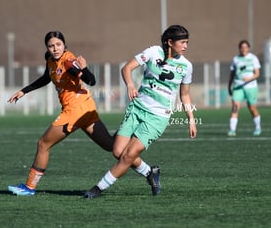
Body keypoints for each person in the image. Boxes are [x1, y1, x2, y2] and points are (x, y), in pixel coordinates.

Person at [84, 25, 197, 198]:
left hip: (158, 117)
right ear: (170, 42)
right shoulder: (153, 52)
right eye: (182, 42)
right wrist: (130, 84)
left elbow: (185, 95)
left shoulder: (186, 66)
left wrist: (191, 118)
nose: (185, 46)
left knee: (129, 155)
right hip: (136, 109)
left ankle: (98, 189)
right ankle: (150, 173)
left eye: (187, 42)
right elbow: (127, 68)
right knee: (118, 152)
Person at [6, 30, 117, 196]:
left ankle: (29, 187)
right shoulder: (50, 60)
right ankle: (147, 168)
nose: (55, 48)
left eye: (58, 44)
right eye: (51, 46)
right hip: (86, 106)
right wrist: (24, 91)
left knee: (43, 144)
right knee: (110, 146)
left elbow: (91, 81)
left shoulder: (68, 62)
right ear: (47, 48)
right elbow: (46, 77)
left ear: (64, 45)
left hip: (75, 109)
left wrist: (84, 68)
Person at [227, 40, 261, 136]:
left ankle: (257, 127)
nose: (244, 49)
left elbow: (257, 74)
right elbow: (232, 75)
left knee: (252, 108)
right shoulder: (236, 59)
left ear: (248, 48)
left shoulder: (253, 58)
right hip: (238, 87)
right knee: (235, 107)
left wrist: (249, 79)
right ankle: (232, 130)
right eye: (242, 47)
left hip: (251, 87)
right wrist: (229, 86)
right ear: (239, 48)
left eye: (245, 47)